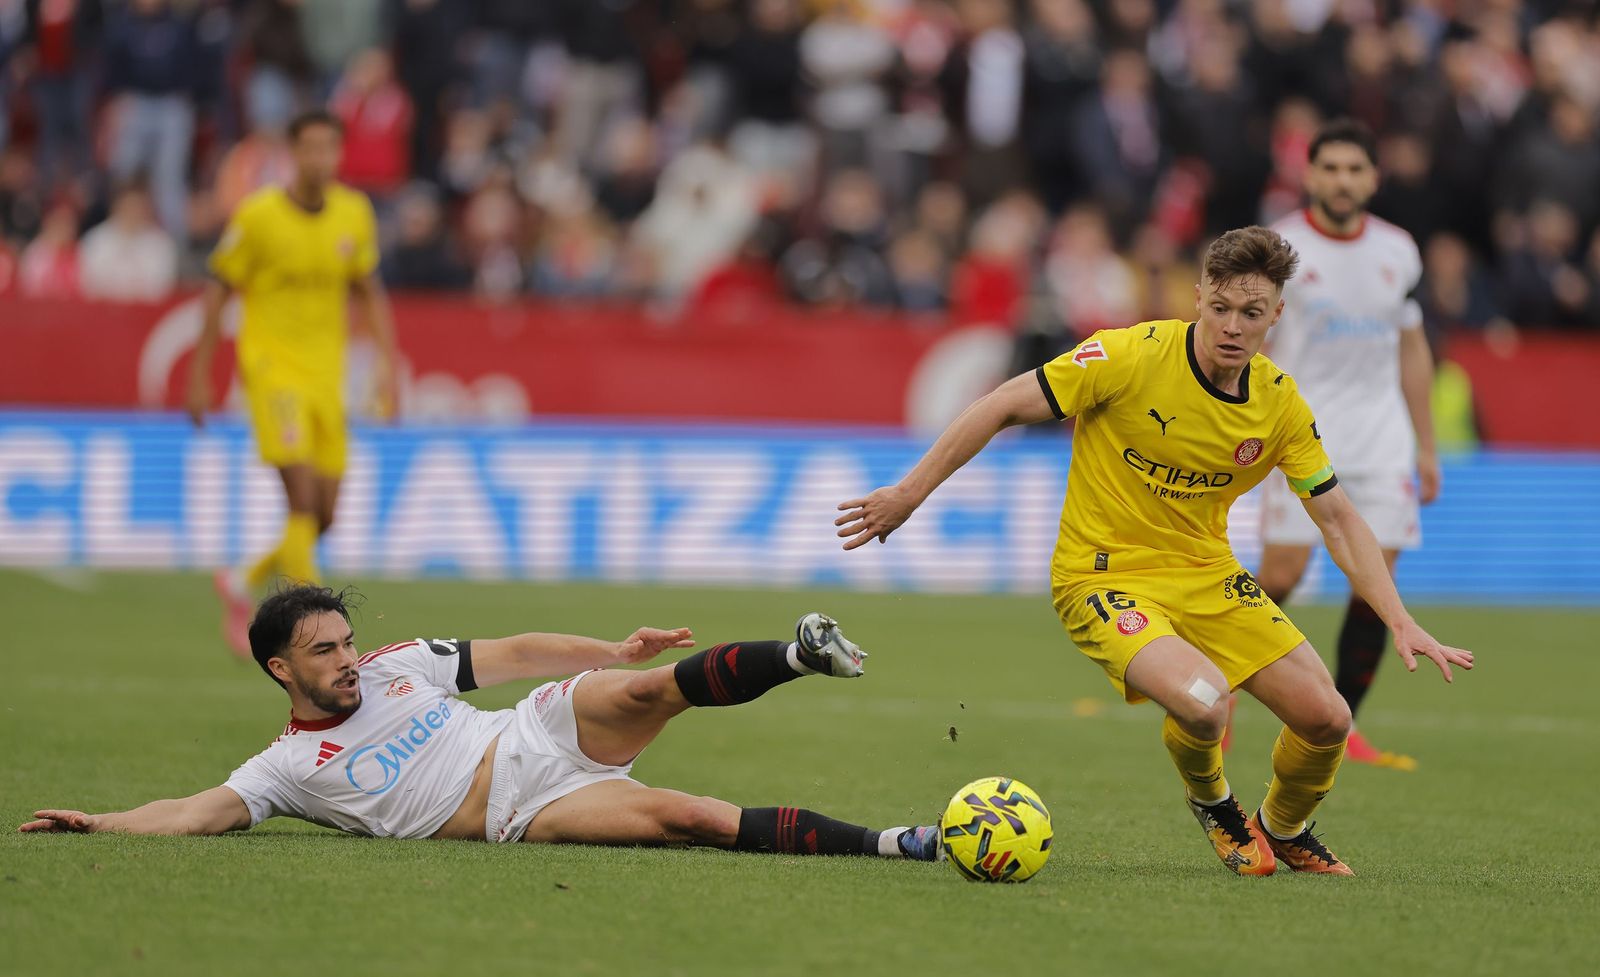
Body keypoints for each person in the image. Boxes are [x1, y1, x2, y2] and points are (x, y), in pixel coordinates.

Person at [836, 226, 1472, 876]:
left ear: (1276, 315)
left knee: (1328, 717)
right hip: (1102, 576)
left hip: (1208, 577)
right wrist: (910, 493)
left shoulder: (1279, 403)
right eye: (1219, 307)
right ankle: (1214, 800)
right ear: (1197, 297)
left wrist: (1397, 616)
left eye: (1250, 313)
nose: (1231, 325)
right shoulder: (1128, 356)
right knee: (1205, 701)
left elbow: (1335, 516)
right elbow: (1001, 404)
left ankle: (1285, 826)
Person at [19, 584, 942, 861]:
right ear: (279, 668)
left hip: (529, 734)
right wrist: (97, 820)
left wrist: (610, 652)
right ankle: (905, 842)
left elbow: (516, 651)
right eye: (324, 651)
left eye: (347, 641)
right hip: (517, 813)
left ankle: (799, 651)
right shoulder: (284, 769)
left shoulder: (397, 666)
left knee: (647, 690)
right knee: (689, 818)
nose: (347, 658)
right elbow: (193, 811)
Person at [1255, 119, 1438, 770]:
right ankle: (1211, 693)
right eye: (1329, 168)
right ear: (1309, 175)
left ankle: (1343, 726)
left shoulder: (1399, 250)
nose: (1342, 180)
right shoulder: (1280, 246)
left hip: (1382, 438)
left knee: (1375, 583)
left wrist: (1425, 444)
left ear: (1373, 179)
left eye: (1354, 169)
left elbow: (1412, 348)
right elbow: (1255, 340)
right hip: (1298, 433)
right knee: (1279, 575)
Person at [187, 109, 399, 656]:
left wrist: (387, 367)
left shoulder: (354, 213)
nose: (319, 159)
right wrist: (201, 372)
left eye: (329, 148)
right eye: (308, 148)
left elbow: (369, 290)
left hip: (328, 375)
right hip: (272, 371)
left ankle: (241, 578)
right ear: (292, 153)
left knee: (323, 512)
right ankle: (318, 632)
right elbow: (218, 286)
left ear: (339, 154)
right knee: (301, 495)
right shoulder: (258, 216)